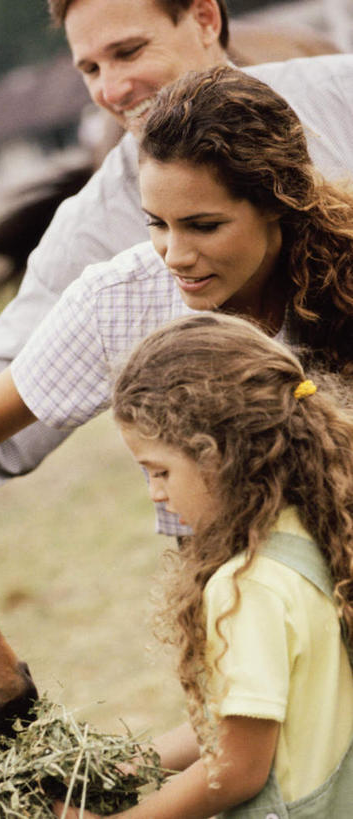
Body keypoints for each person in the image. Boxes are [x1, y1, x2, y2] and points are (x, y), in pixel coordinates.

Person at [0, 0, 353, 491]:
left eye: (130, 51)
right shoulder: (105, 257)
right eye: (90, 68)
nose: (111, 90)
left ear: (206, 19)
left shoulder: (343, 95)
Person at [54, 310, 353, 818]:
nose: (155, 493)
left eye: (160, 471)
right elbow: (249, 722)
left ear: (223, 454)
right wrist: (117, 767)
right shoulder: (319, 535)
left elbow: (236, 768)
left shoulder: (245, 588)